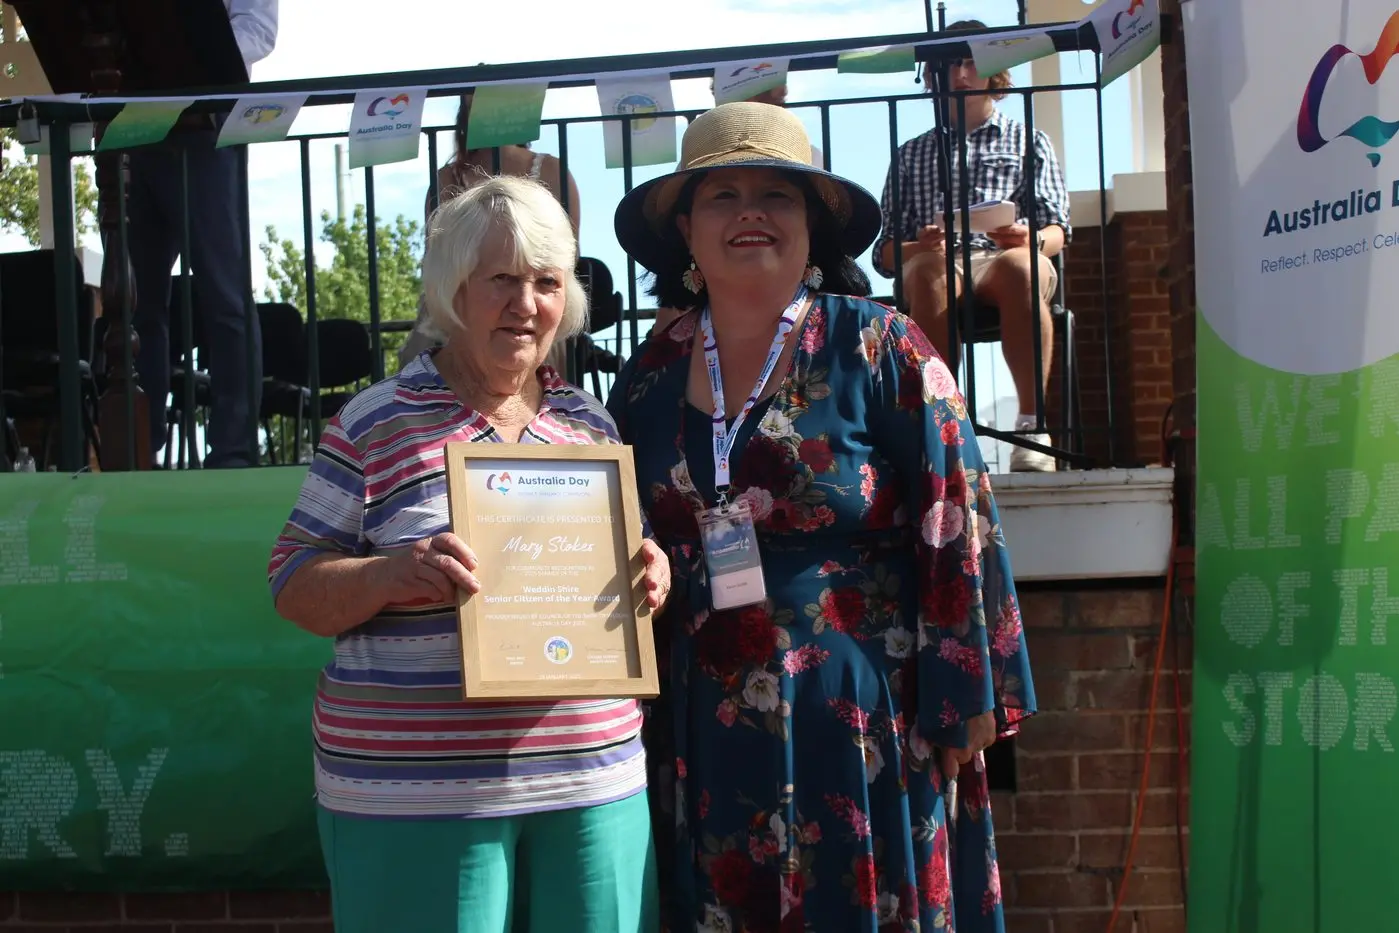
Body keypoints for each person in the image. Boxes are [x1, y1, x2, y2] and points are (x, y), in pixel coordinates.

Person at [607, 102, 1035, 933]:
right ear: (685, 233)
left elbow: (960, 518)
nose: (750, 214)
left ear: (813, 229)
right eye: (722, 196)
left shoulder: (880, 345)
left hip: (867, 710)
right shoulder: (647, 377)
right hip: (702, 716)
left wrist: (964, 693)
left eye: (777, 194)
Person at [269, 176, 668, 933]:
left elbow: (628, 571)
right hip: (417, 794)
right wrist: (388, 574)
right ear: (454, 290)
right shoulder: (375, 420)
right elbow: (292, 580)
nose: (526, 303)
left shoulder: (590, 422)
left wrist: (653, 572)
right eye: (502, 279)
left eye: (546, 282)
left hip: (589, 786)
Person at [871, 19, 1071, 473]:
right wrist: (918, 246)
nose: (958, 74)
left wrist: (1030, 237)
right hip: (939, 264)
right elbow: (883, 253)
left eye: (969, 61)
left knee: (1024, 266)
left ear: (994, 71)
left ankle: (1030, 426)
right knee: (927, 270)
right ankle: (947, 426)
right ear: (930, 77)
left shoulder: (1029, 140)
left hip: (1005, 257)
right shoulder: (910, 154)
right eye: (945, 64)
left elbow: (1058, 229)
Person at [127, 0, 279, 468]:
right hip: (131, 127)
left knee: (225, 296)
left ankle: (233, 450)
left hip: (205, 129)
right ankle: (137, 446)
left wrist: (184, 62)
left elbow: (258, 29)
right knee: (134, 304)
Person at [397, 92, 583, 371]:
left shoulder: (551, 169)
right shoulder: (447, 177)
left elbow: (568, 257)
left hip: (531, 300)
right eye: (474, 98)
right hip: (460, 303)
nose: (485, 106)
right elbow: (435, 258)